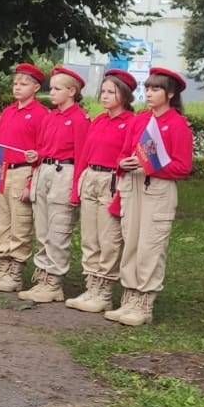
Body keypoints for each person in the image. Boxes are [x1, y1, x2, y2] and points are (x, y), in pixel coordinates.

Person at [107, 67, 195, 326]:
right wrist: (125, 163)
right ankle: (129, 299)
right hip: (133, 185)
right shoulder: (140, 120)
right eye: (147, 88)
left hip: (158, 188)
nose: (149, 93)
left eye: (155, 88)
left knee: (151, 245)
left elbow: (183, 166)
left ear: (169, 94)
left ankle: (145, 304)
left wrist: (152, 166)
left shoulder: (177, 124)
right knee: (131, 241)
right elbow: (122, 153)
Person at [66, 70, 138, 314]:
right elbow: (85, 153)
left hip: (111, 179)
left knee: (108, 238)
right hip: (91, 177)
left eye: (111, 92)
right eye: (103, 91)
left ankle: (104, 292)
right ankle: (91, 286)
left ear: (125, 95)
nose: (105, 96)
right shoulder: (98, 120)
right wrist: (78, 186)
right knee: (90, 237)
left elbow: (130, 154)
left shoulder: (130, 122)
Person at [18, 67, 89, 304]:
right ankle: (42, 277)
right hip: (44, 170)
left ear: (72, 91)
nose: (52, 93)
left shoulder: (79, 118)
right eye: (52, 88)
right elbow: (43, 146)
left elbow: (81, 156)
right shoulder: (51, 116)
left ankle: (54, 281)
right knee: (42, 229)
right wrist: (35, 157)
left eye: (57, 89)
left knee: (58, 229)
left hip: (64, 173)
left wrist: (76, 187)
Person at [0, 63, 48, 292]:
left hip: (22, 171)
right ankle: (2, 267)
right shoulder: (7, 112)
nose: (18, 87)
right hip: (3, 170)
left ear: (36, 87)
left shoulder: (40, 114)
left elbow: (41, 150)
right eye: (15, 83)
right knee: (1, 221)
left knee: (20, 222)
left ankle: (15, 271)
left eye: (24, 84)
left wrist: (31, 181)